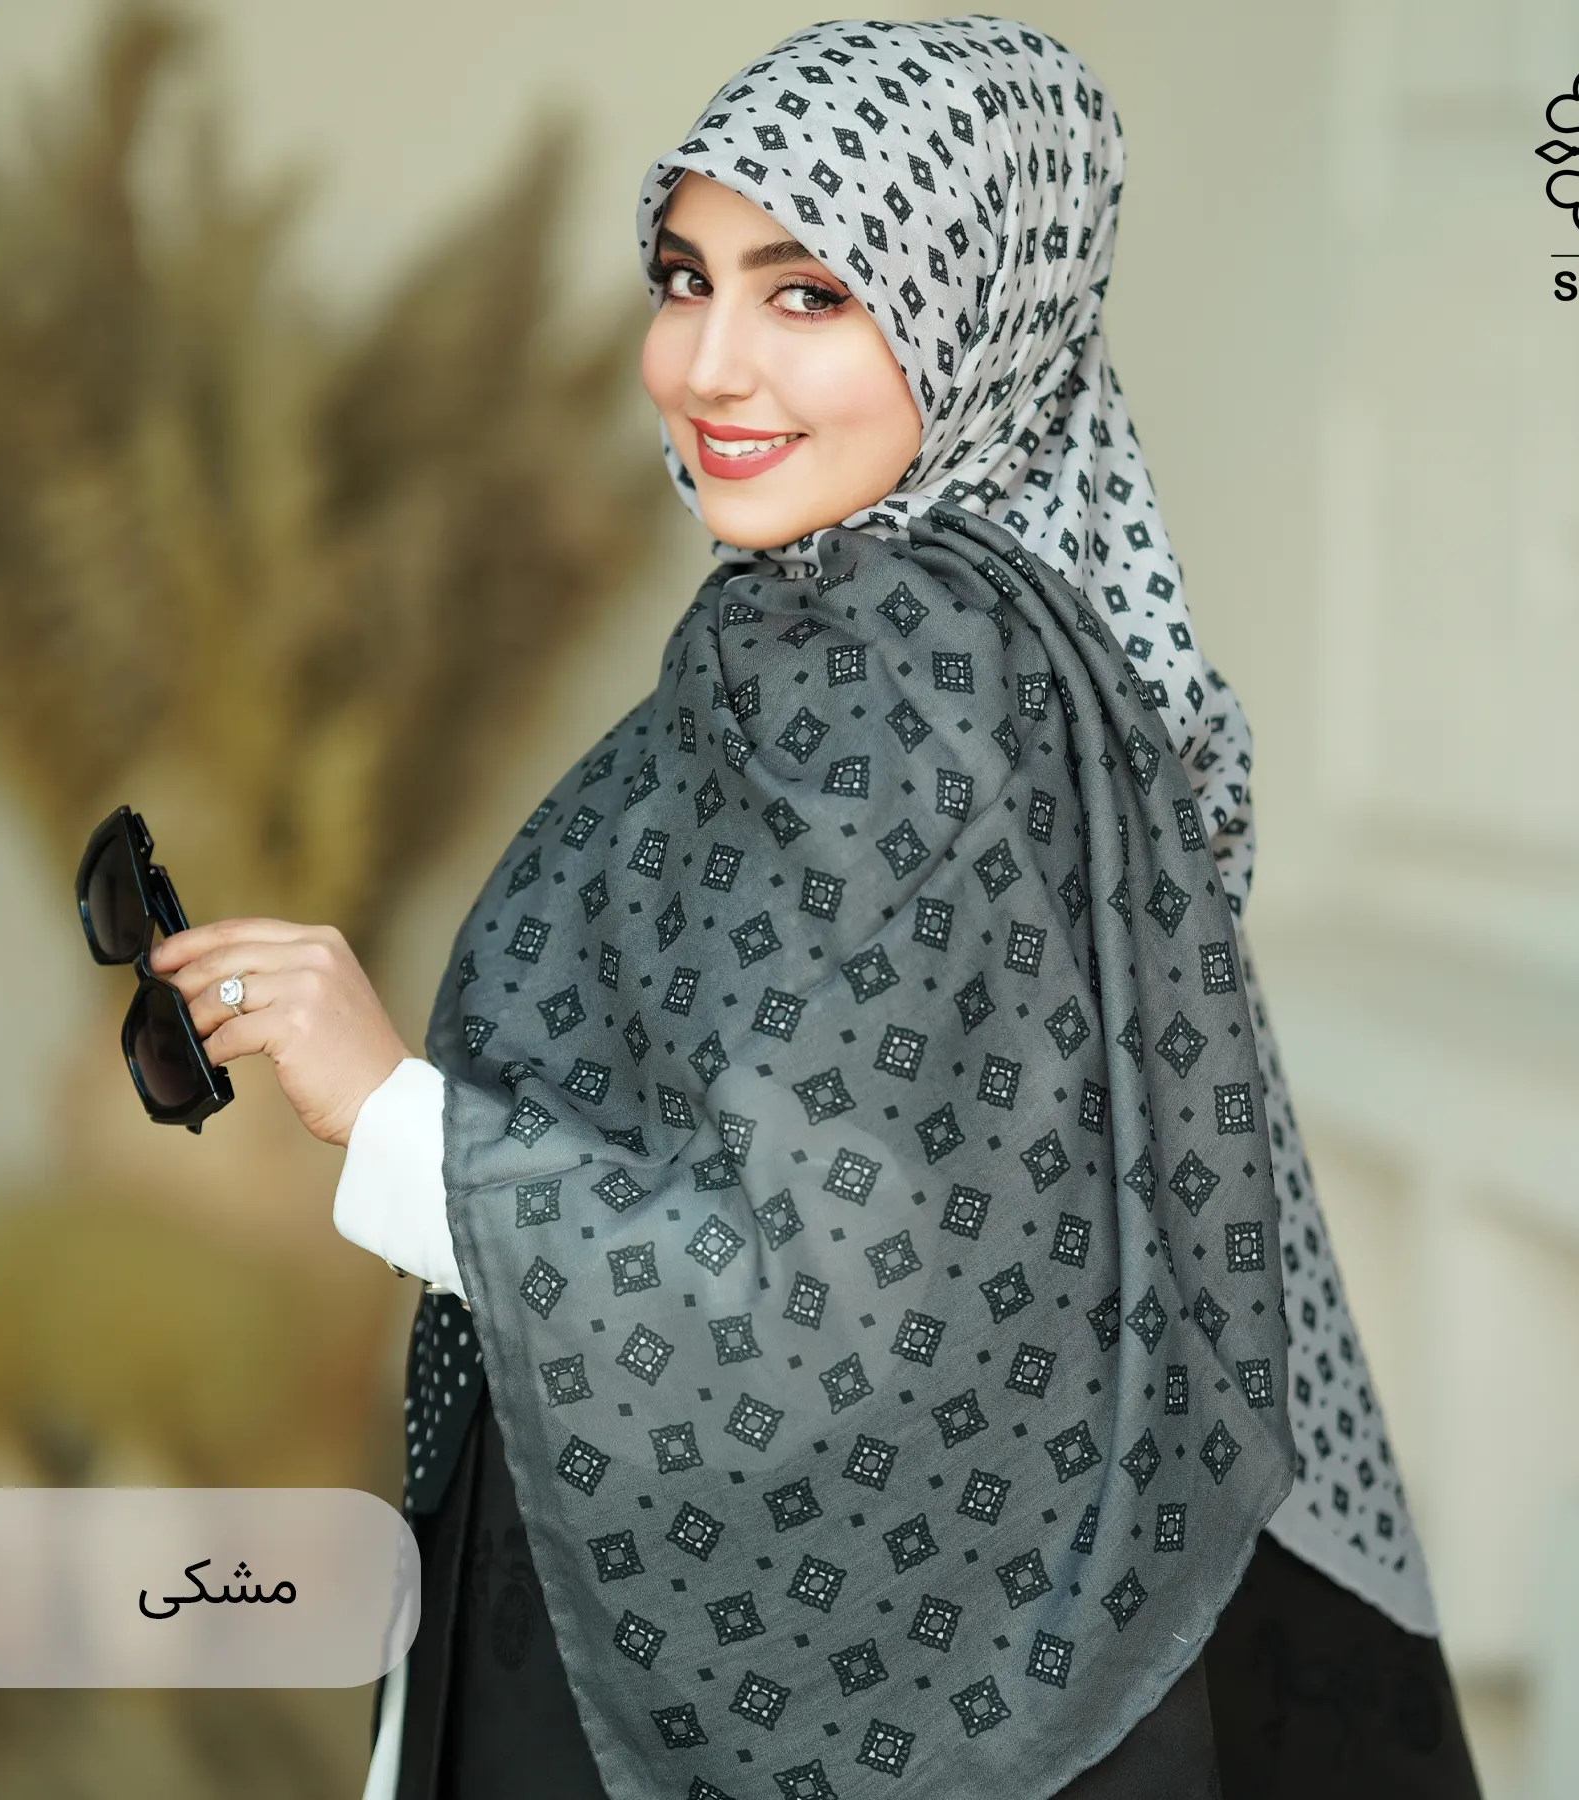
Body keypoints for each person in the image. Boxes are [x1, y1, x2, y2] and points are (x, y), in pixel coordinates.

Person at [148, 17, 1483, 1798]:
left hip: (750, 1654)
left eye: (810, 294)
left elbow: (825, 1295)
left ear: (973, 304)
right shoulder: (923, 625)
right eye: (683, 278)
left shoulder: (891, 670)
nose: (708, 364)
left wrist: (390, 1113)